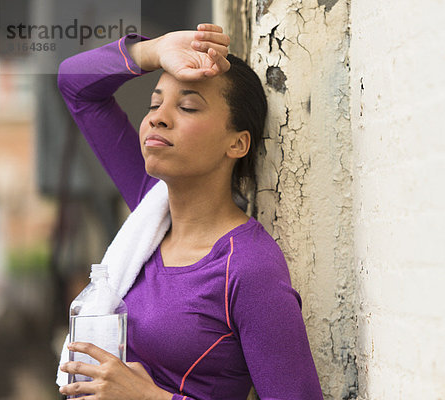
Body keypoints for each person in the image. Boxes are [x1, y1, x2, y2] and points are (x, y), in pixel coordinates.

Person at [56, 24, 324, 400]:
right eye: (154, 103)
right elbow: (75, 84)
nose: (157, 118)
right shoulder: (151, 212)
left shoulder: (249, 268)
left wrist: (150, 397)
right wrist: (156, 50)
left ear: (237, 143)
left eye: (187, 106)